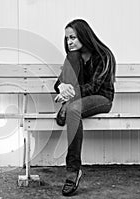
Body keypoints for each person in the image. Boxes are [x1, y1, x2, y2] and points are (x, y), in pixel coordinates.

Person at [54, 19, 116, 196]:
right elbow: (58, 83)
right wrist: (62, 88)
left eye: (73, 37)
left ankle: (73, 171)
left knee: (73, 109)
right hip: (77, 98)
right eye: (67, 38)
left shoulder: (104, 55)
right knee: (71, 57)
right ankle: (69, 105)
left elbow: (95, 87)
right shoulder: (74, 57)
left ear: (84, 35)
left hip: (101, 98)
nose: (69, 42)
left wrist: (69, 95)